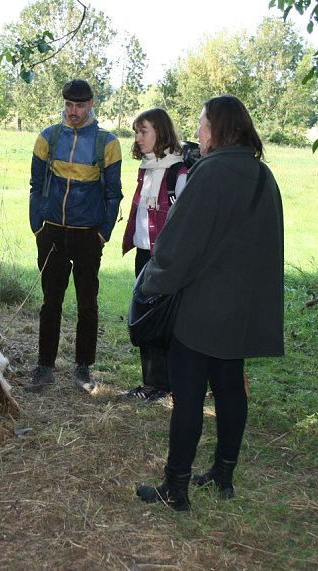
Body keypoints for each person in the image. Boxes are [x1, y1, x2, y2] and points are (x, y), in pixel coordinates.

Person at [135, 95, 284, 511]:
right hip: (242, 308)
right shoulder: (262, 175)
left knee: (188, 396)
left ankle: (176, 488)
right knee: (231, 390)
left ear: (218, 128)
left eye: (202, 123)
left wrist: (153, 281)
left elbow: (180, 242)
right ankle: (223, 475)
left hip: (202, 307)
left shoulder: (210, 172)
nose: (197, 131)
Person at [25, 79, 123, 393]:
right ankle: (44, 366)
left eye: (79, 105)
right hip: (51, 232)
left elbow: (113, 194)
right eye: (68, 105)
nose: (73, 112)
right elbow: (35, 184)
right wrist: (38, 227)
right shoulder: (48, 138)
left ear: (91, 104)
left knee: (87, 303)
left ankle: (83, 368)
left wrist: (102, 235)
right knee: (50, 302)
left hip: (87, 236)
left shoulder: (107, 143)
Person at [121, 108, 197, 402]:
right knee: (146, 317)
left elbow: (185, 221)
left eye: (144, 132)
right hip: (144, 254)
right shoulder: (147, 168)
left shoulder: (178, 172)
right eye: (136, 132)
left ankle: (171, 384)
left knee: (166, 320)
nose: (138, 138)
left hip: (166, 259)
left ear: (161, 132)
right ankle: (152, 383)